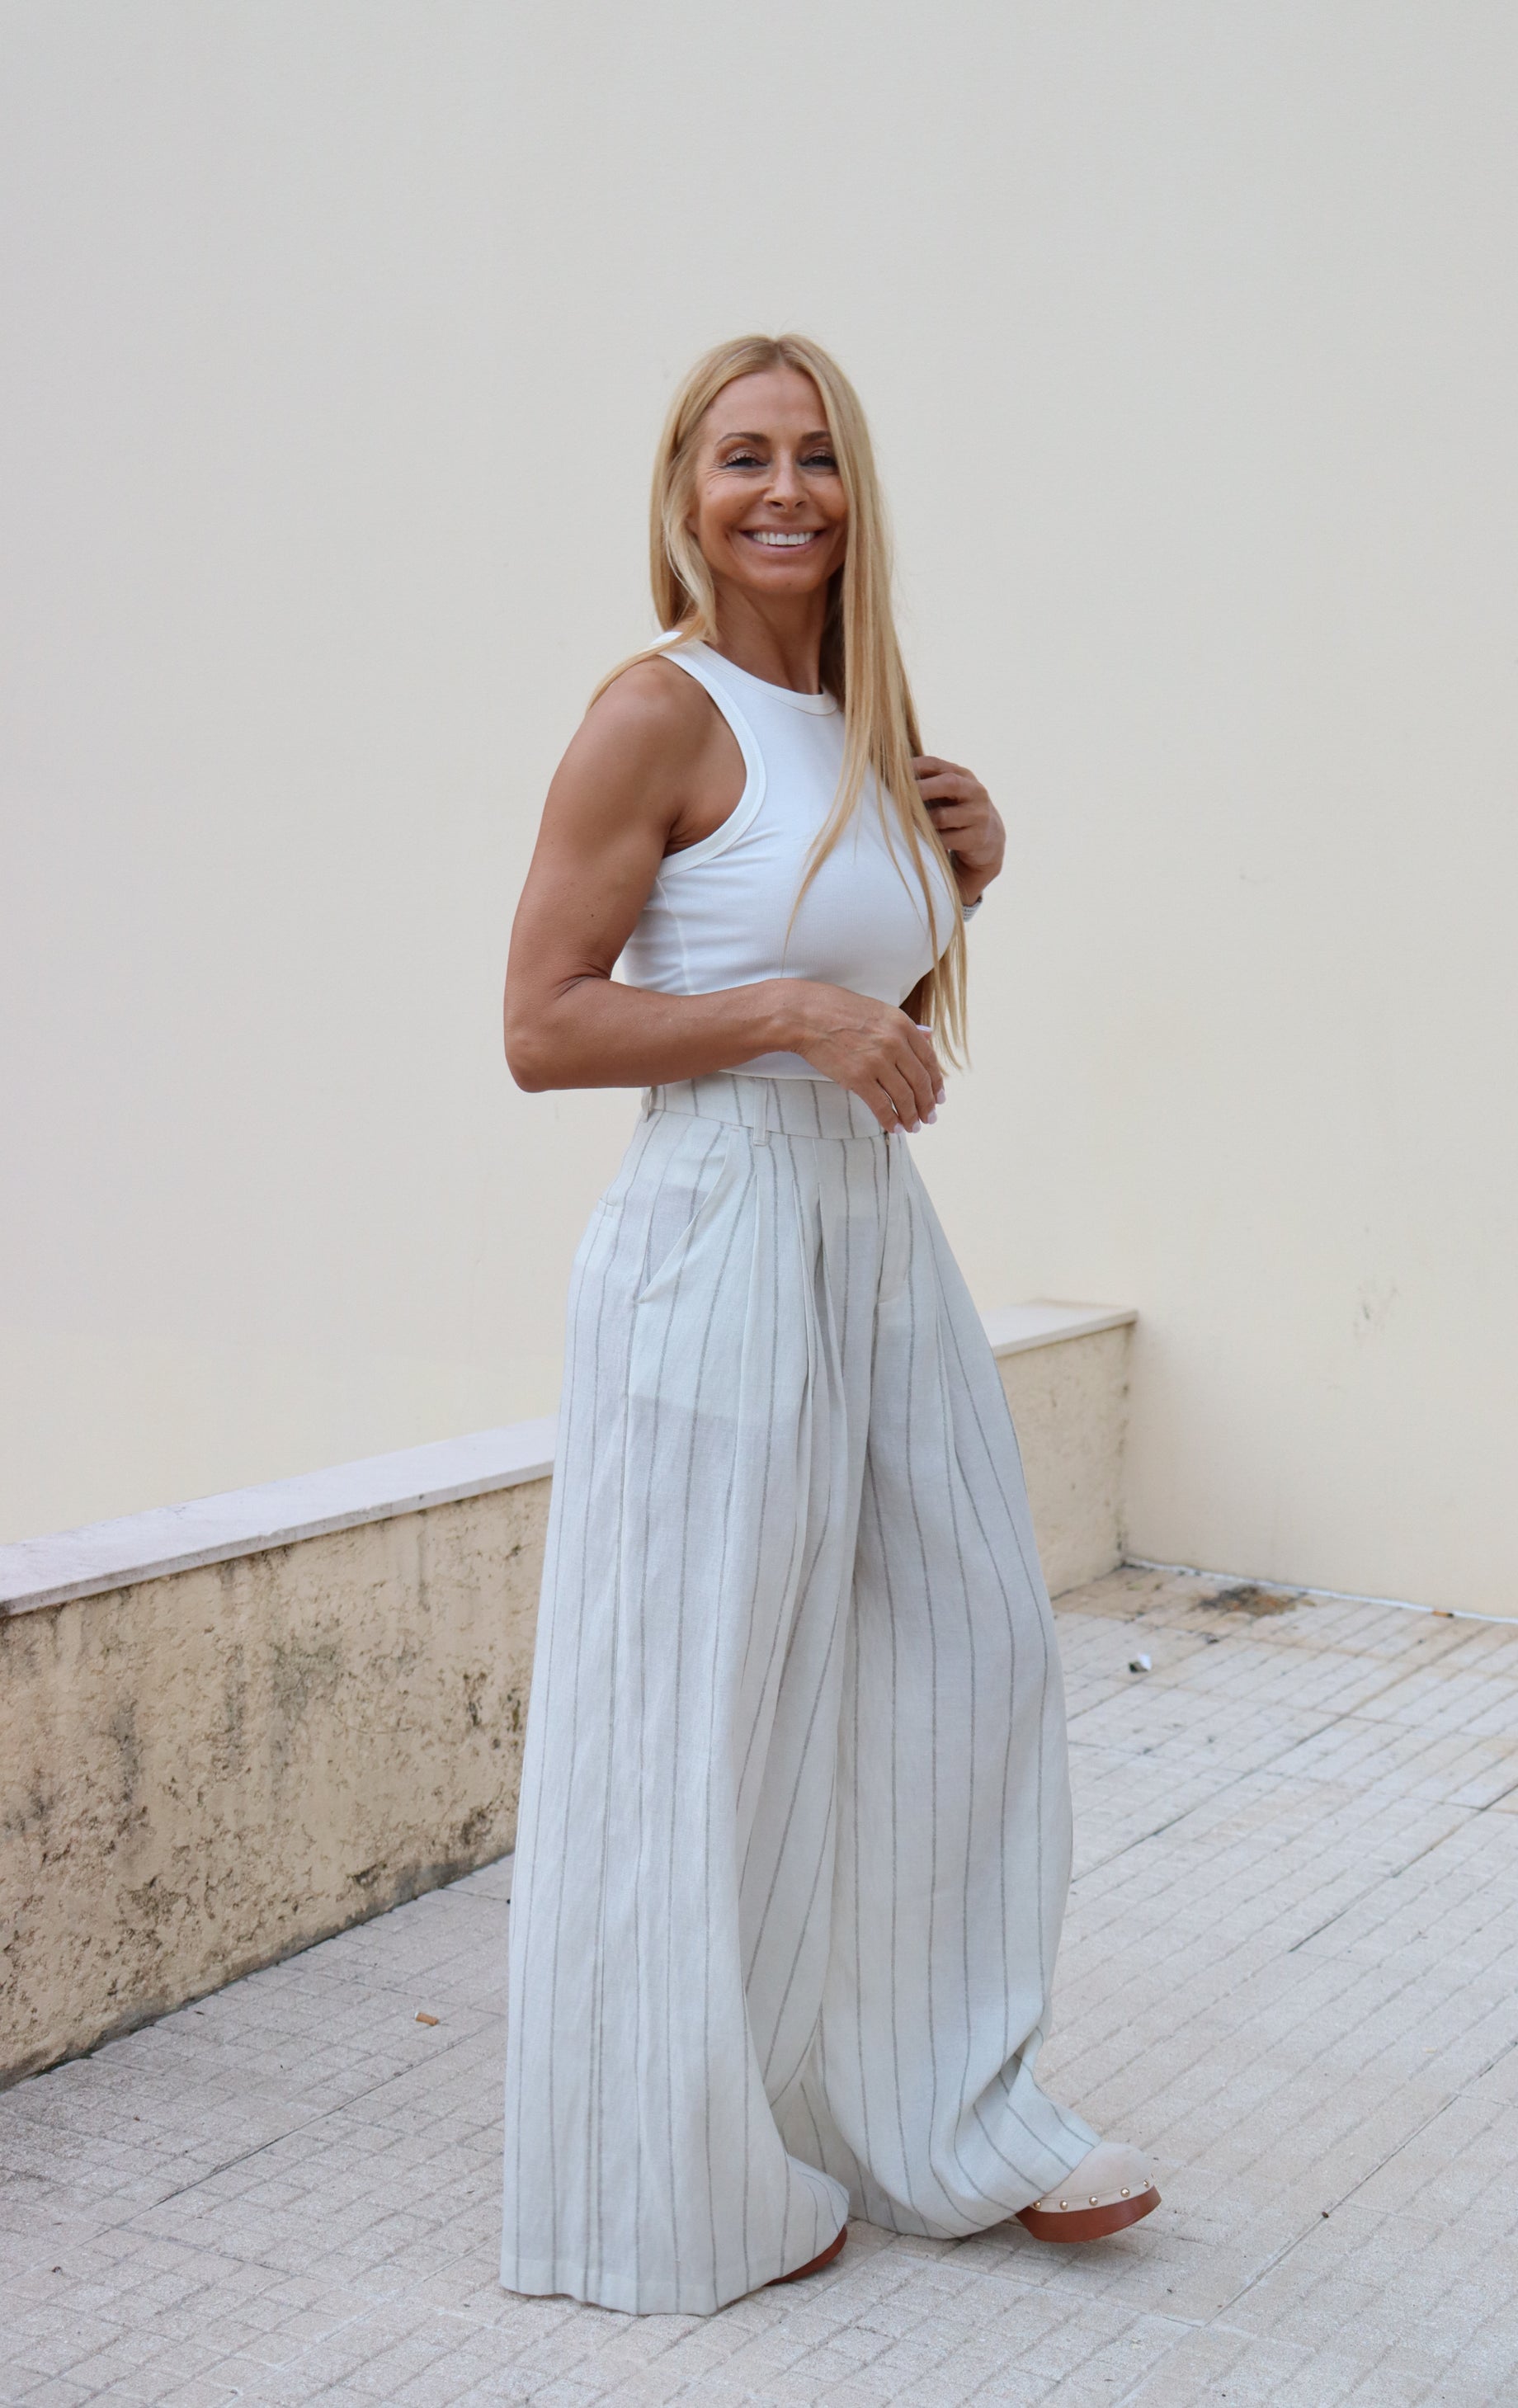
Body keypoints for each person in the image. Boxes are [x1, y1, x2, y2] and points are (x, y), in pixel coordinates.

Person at [499, 333, 1157, 2316]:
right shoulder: (654, 709)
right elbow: (543, 1022)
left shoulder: (868, 723)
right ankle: (674, 2174)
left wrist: (964, 882)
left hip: (869, 1238)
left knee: (959, 1653)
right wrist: (792, 1011)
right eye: (741, 458)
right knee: (694, 1707)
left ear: (856, 492)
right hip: (714, 1229)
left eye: (814, 457)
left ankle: (942, 2112)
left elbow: (881, 1020)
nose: (781, 490)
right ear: (683, 494)